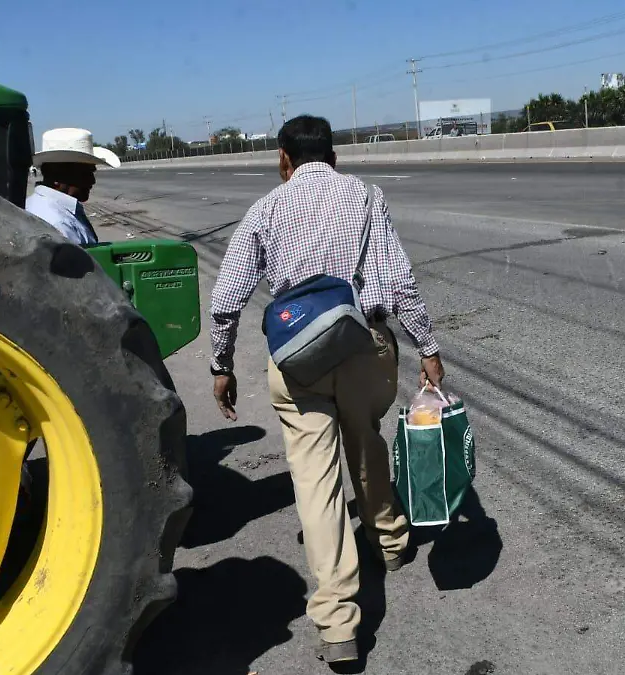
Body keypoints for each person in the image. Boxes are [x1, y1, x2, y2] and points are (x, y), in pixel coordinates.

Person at [208, 114, 444, 664]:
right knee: (365, 440)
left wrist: (222, 364)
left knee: (315, 484)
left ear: (283, 161)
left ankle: (338, 624)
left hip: (297, 361)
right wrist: (428, 347)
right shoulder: (366, 197)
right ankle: (389, 540)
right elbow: (399, 279)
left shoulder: (267, 207)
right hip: (364, 349)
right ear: (333, 157)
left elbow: (227, 298)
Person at [25, 127, 120, 246]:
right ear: (57, 177)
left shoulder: (36, 205)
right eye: (85, 174)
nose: (92, 180)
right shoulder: (59, 224)